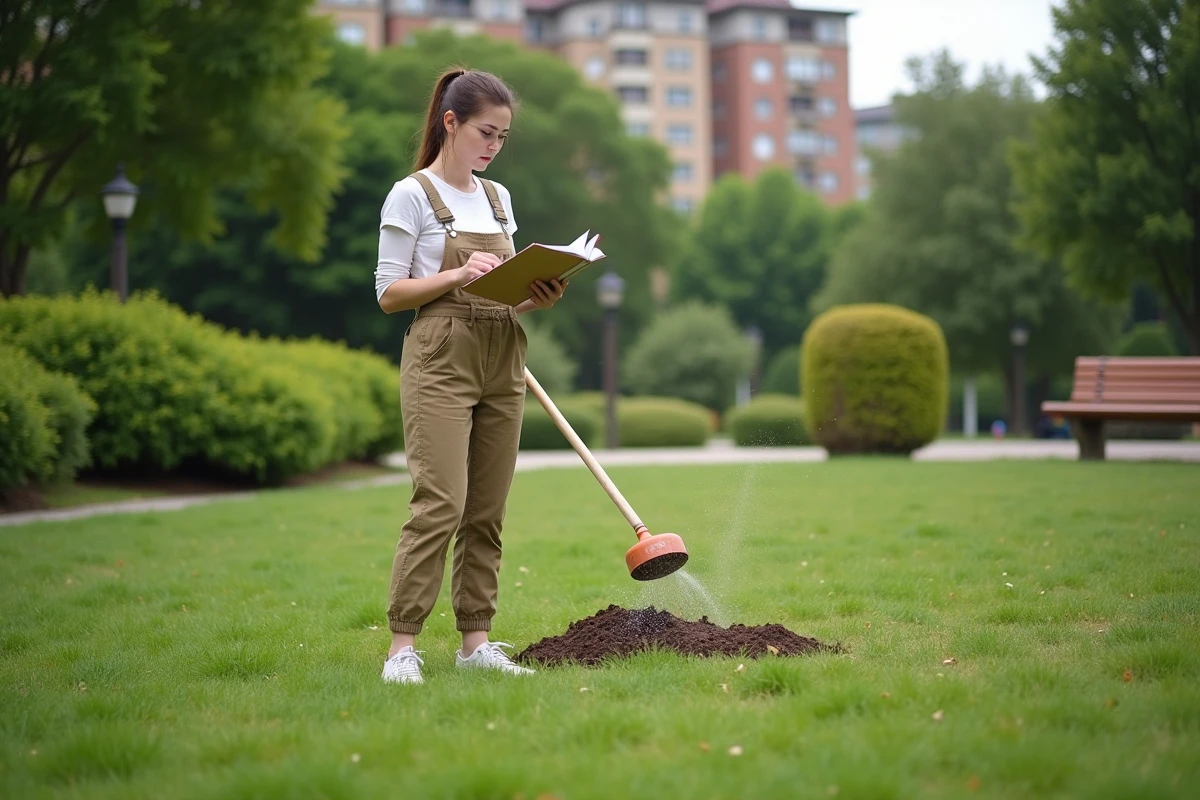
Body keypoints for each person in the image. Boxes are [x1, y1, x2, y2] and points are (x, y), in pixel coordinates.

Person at [373, 67, 567, 685]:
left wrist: (541, 295)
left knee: (487, 509)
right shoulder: (411, 195)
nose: (493, 146)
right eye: (486, 132)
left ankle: (474, 643)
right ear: (450, 123)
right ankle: (402, 647)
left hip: (503, 353)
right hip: (440, 359)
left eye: (503, 138)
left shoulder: (497, 198)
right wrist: (457, 276)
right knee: (441, 503)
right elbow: (389, 293)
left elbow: (506, 295)